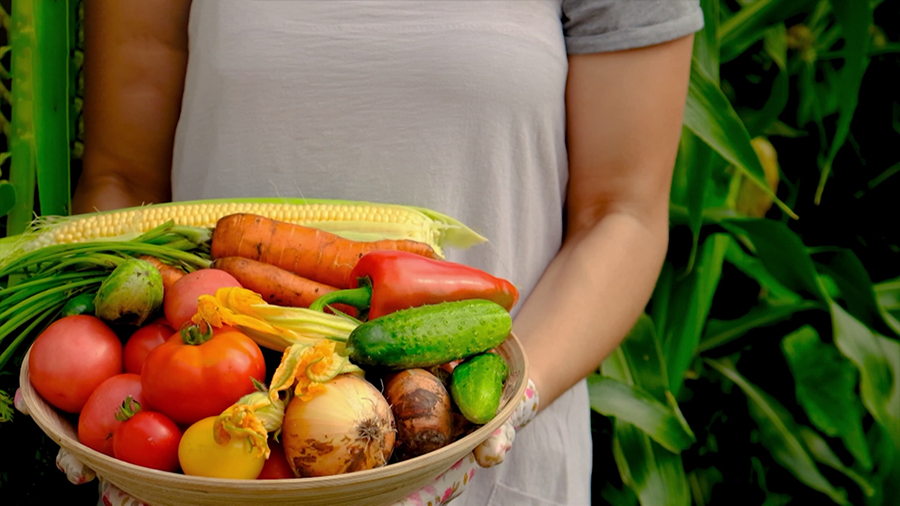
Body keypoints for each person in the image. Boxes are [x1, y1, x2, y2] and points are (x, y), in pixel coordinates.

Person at [69, 1, 703, 504]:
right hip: (210, 458)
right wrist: (84, 382)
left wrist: (506, 405)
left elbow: (621, 214)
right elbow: (123, 184)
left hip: (477, 461)